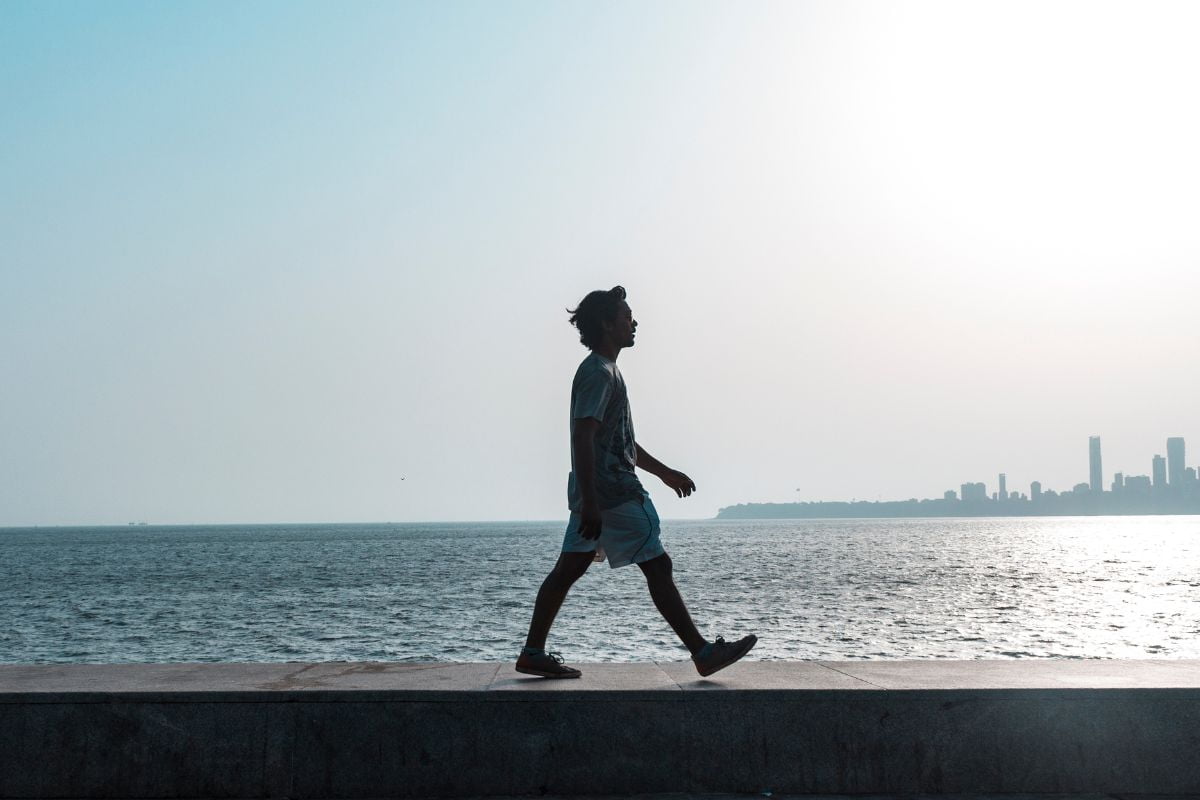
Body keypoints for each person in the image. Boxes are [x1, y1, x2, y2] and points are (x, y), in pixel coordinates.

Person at [516, 285, 757, 679]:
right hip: (614, 495)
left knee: (568, 569)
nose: (635, 323)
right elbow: (583, 436)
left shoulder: (605, 370)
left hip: (597, 493)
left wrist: (663, 472)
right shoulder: (598, 373)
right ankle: (701, 651)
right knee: (658, 565)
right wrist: (593, 501)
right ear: (608, 325)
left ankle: (532, 652)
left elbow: (617, 439)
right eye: (627, 317)